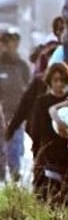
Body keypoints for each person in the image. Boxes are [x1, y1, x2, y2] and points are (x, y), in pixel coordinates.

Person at [31, 62, 68, 204]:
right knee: (46, 193)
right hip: (48, 153)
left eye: (62, 80)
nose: (59, 84)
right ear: (50, 81)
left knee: (65, 193)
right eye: (56, 80)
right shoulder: (42, 102)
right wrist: (37, 153)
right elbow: (36, 130)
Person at [0, 27, 31, 183]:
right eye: (5, 41)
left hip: (17, 113)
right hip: (1, 112)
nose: (9, 45)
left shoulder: (22, 66)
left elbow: (29, 88)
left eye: (12, 41)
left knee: (16, 145)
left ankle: (14, 175)